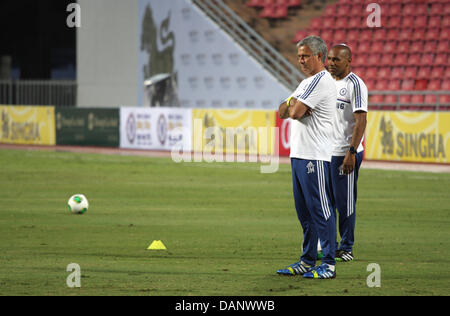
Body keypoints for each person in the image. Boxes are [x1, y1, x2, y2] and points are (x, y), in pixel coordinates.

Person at [277, 36, 337, 279]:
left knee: (321, 210)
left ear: (319, 57)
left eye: (305, 56)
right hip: (299, 154)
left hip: (315, 155)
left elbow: (295, 112)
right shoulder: (305, 83)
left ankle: (329, 264)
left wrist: (294, 107)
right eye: (299, 55)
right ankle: (307, 260)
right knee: (304, 212)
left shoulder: (321, 81)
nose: (300, 60)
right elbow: (282, 111)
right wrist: (294, 104)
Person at [327, 44, 368, 262]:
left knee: (345, 202)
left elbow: (361, 120)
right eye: (330, 59)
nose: (331, 63)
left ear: (348, 60)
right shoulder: (325, 81)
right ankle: (329, 245)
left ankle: (347, 248)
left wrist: (351, 152)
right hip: (326, 152)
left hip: (345, 152)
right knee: (327, 202)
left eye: (336, 60)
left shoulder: (355, 85)